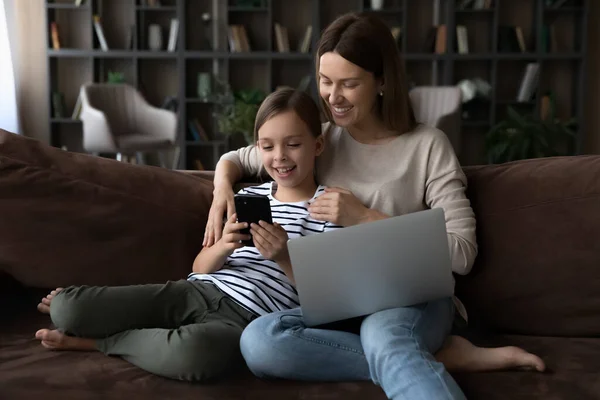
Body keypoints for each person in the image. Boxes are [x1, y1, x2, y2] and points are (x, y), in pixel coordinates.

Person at [203, 12, 545, 400]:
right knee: (262, 340)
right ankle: (437, 357)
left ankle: (404, 351)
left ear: (382, 82)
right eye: (325, 81)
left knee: (384, 334)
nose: (333, 97)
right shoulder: (318, 141)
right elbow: (242, 156)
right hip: (342, 300)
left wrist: (366, 218)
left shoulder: (427, 146)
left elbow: (462, 253)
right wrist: (220, 188)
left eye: (349, 84)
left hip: (409, 296)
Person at [34, 88, 339, 382]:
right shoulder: (250, 197)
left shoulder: (331, 209)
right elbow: (199, 268)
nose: (279, 157)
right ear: (258, 149)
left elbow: (328, 299)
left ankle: (103, 343)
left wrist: (284, 256)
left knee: (195, 354)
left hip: (247, 319)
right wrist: (224, 247)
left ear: (318, 145)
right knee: (67, 308)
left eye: (293, 144)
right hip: (195, 292)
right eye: (268, 146)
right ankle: (97, 326)